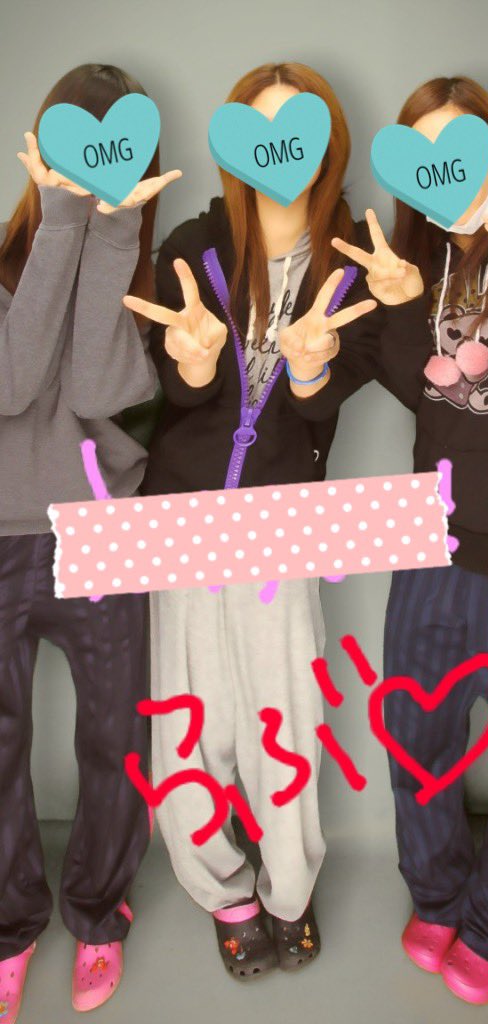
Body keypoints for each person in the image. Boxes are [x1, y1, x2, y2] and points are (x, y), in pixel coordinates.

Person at [309, 75, 488, 1006]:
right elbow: (423, 390)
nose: (443, 170)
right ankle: (436, 894)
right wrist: (390, 310)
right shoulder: (414, 264)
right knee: (415, 732)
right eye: (422, 156)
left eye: (459, 146)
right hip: (433, 538)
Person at [123, 61, 381, 981]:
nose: (281, 151)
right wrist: (193, 367)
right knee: (190, 723)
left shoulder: (356, 256)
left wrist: (310, 369)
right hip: (182, 510)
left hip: (283, 512)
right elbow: (164, 387)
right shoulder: (193, 244)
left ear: (326, 142)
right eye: (261, 131)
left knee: (286, 714)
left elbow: (323, 402)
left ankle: (289, 891)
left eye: (298, 130)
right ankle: (223, 892)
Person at [0, 63, 180, 1021]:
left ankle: (99, 912)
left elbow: (93, 391)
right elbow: (13, 383)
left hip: (105, 532)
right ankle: (8, 926)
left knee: (118, 738)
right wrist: (61, 218)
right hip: (0, 535)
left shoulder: (146, 274)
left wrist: (112, 234)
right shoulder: (6, 261)